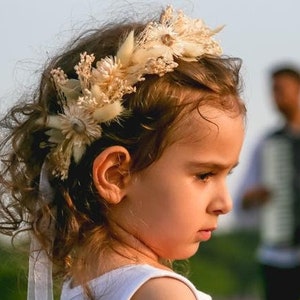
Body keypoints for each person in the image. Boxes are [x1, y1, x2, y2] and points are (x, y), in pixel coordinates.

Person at [0, 6, 246, 300]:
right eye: (204, 175)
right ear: (115, 175)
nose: (225, 203)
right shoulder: (163, 293)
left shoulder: (80, 289)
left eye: (226, 174)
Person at [235, 65, 300, 300]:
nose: (274, 97)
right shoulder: (268, 144)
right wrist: (255, 197)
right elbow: (242, 202)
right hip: (278, 257)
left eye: (280, 89)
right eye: (272, 90)